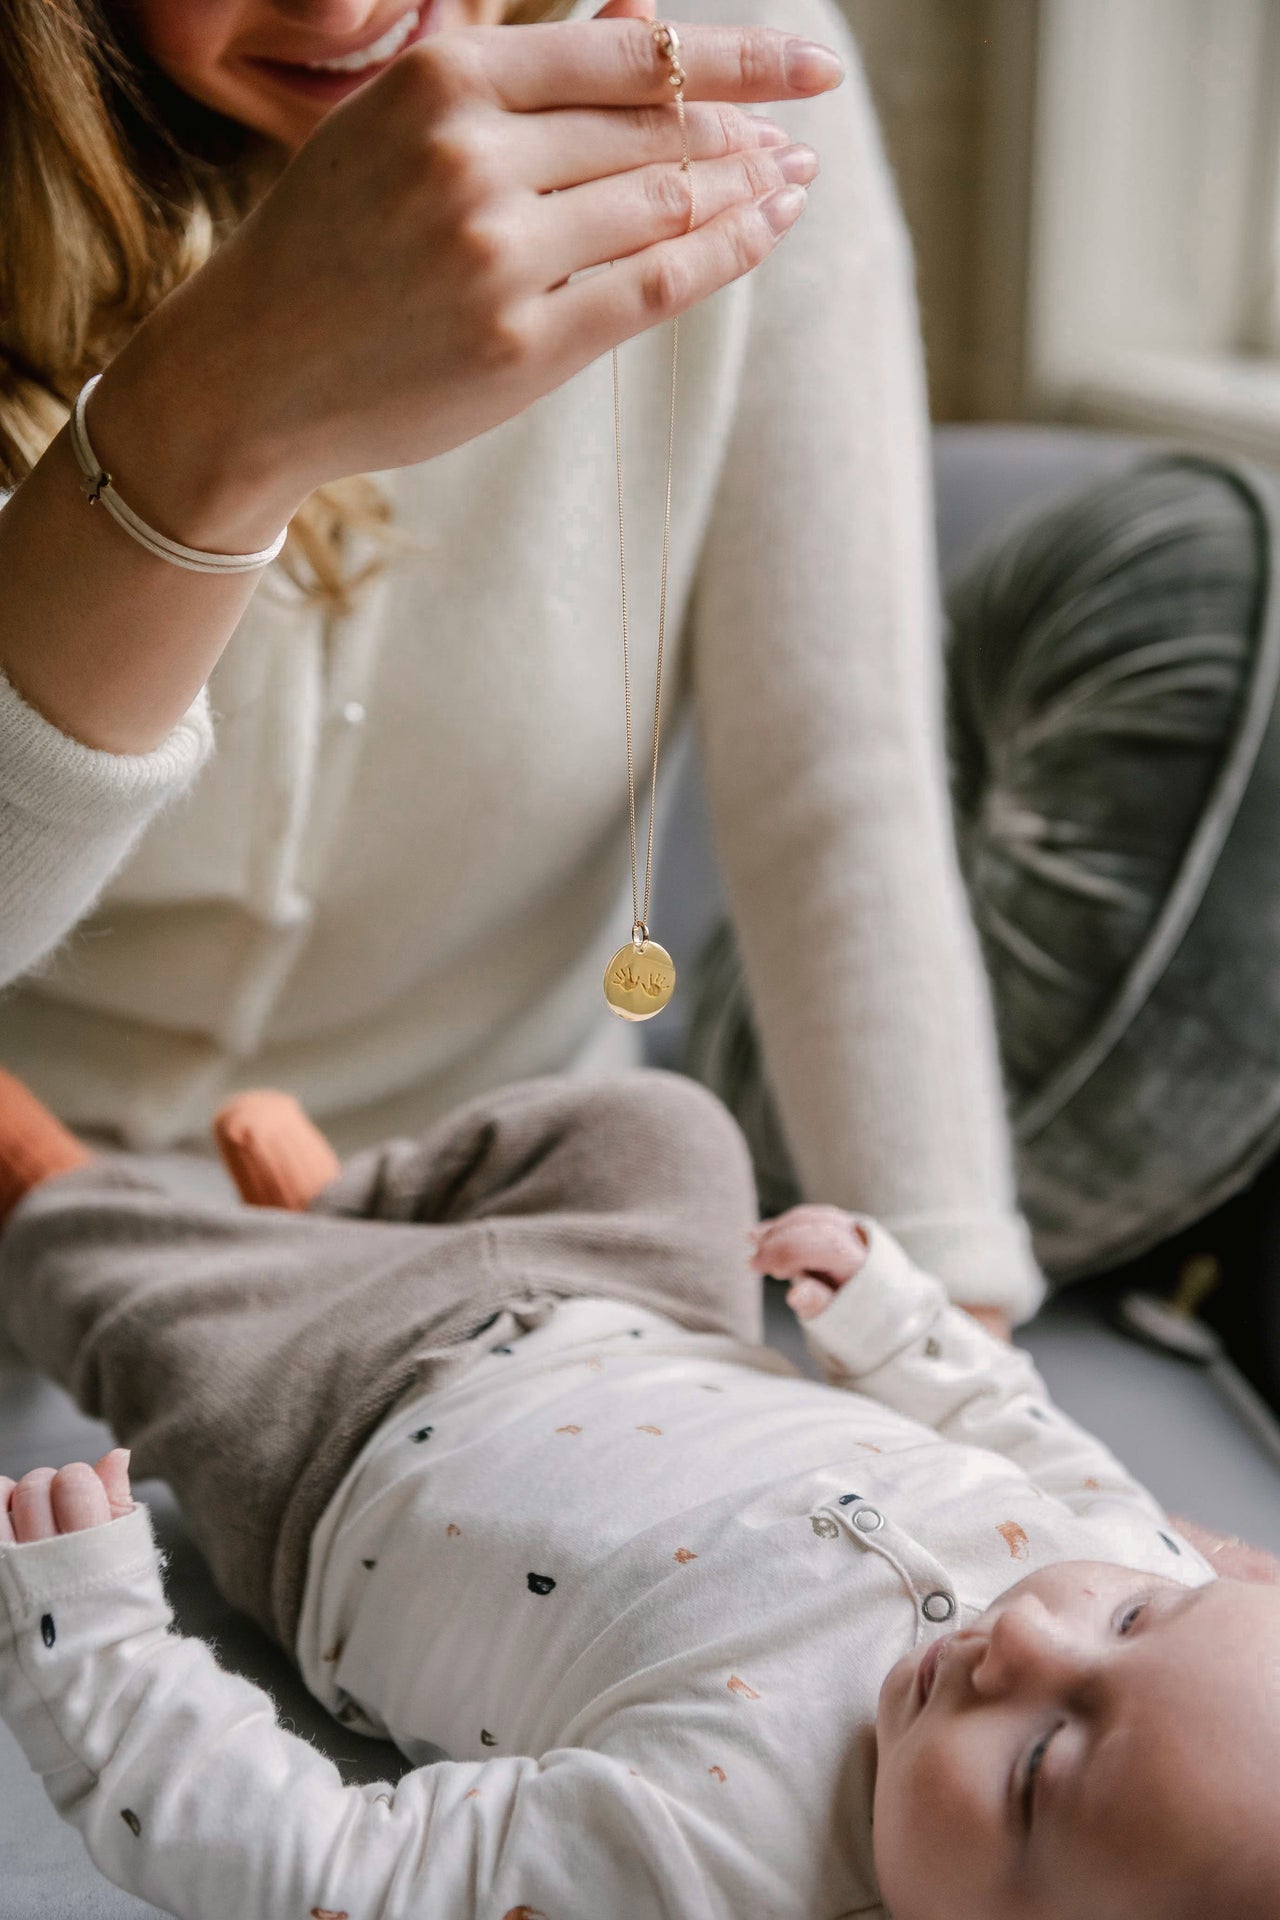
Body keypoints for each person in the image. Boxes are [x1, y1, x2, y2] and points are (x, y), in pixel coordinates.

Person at [0, 0, 1044, 1347]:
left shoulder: (733, 64)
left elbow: (839, 790)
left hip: (523, 1249)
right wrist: (218, 410)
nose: (341, 7)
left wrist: (963, 1373)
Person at [0, 1067, 1276, 1919]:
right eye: (1127, 1621)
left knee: (136, 1303)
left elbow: (338, 1872)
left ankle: (67, 1192)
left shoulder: (709, 1870)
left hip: (337, 1444)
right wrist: (898, 1322)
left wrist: (99, 1647)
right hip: (639, 1307)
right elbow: (1024, 1428)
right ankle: (343, 1215)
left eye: (1039, 1766)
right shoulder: (1154, 1558)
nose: (1025, 1640)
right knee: (662, 1131)